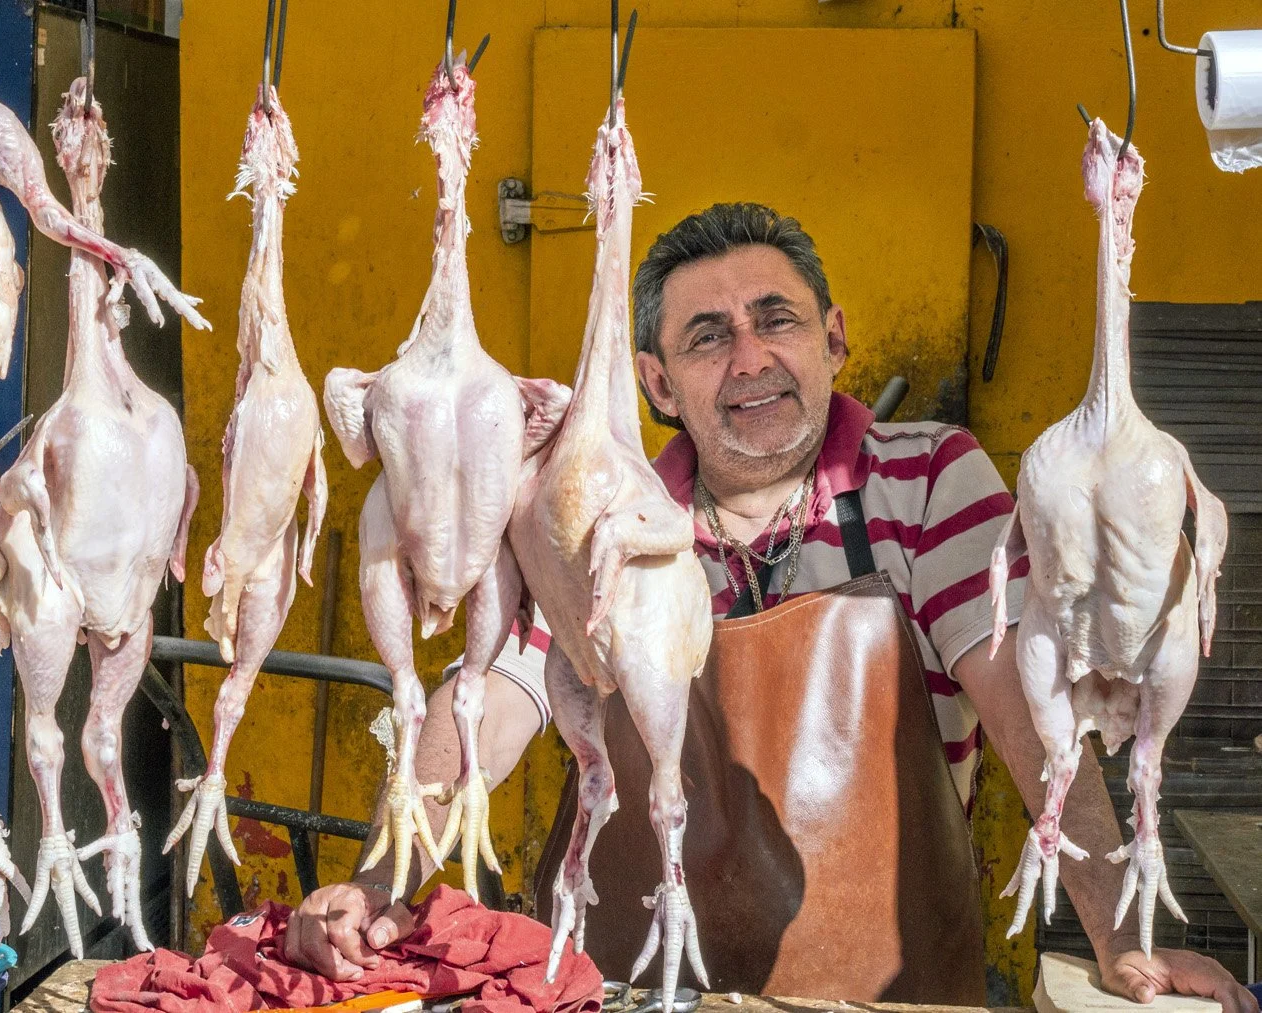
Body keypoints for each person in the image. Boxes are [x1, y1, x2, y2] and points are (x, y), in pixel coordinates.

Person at [283, 203, 1258, 1013]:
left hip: (889, 996)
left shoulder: (930, 478)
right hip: (634, 990)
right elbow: (488, 705)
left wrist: (1124, 940)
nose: (750, 357)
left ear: (833, 340)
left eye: (775, 319)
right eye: (708, 337)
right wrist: (377, 882)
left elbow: (1025, 712)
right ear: (659, 383)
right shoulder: (603, 513)